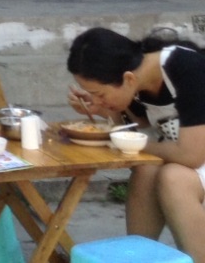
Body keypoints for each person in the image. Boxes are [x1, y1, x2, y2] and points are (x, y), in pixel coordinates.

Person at [67, 27, 205, 263]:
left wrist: (136, 144)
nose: (96, 99)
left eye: (99, 94)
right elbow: (140, 127)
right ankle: (137, 256)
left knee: (174, 177)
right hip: (192, 154)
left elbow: (191, 155)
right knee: (146, 169)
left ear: (128, 79)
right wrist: (104, 110)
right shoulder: (137, 80)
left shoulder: (186, 68)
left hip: (195, 155)